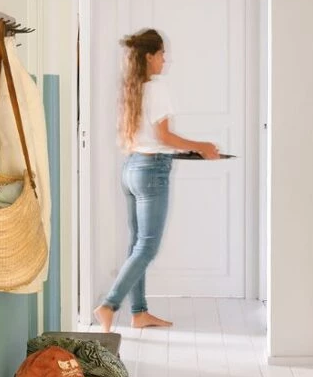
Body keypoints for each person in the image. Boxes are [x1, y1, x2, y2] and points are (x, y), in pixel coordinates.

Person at [94, 29, 220, 332]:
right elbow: (163, 136)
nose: (165, 59)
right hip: (151, 172)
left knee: (137, 244)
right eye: (162, 54)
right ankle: (109, 305)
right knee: (147, 247)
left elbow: (148, 138)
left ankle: (139, 313)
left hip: (131, 169)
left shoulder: (131, 89)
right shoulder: (156, 88)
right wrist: (202, 146)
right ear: (149, 56)